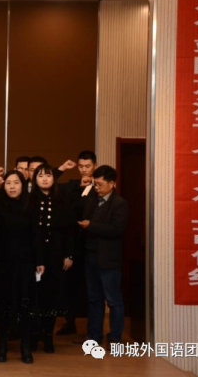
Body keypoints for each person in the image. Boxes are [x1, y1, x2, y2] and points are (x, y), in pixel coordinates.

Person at [0, 171, 44, 364]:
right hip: (2, 262)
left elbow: (35, 235)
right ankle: (2, 345)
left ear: (23, 185)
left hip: (25, 262)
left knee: (25, 305)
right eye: (8, 183)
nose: (12, 186)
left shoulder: (30, 205)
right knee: (3, 305)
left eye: (16, 183)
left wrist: (39, 260)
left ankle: (25, 346)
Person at [73, 165, 129, 346]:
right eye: (95, 184)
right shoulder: (92, 200)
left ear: (112, 183)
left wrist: (91, 225)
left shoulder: (120, 203)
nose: (97, 188)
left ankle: (115, 337)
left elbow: (116, 229)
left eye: (100, 185)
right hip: (90, 256)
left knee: (113, 299)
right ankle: (94, 335)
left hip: (109, 259)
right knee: (93, 298)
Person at [28, 164, 74, 354]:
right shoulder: (28, 199)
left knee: (51, 295)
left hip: (55, 253)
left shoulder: (62, 199)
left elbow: (69, 230)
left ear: (54, 178)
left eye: (48, 175)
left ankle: (48, 335)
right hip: (32, 254)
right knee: (34, 295)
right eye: (40, 176)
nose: (45, 179)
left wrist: (69, 254)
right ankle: (33, 335)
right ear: (35, 179)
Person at [57, 150, 98, 336]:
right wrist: (63, 169)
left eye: (87, 166)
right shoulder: (72, 185)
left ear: (94, 166)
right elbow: (57, 193)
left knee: (90, 285)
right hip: (71, 240)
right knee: (70, 283)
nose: (83, 170)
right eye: (80, 166)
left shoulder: (100, 185)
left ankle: (92, 328)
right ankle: (70, 321)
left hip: (91, 240)